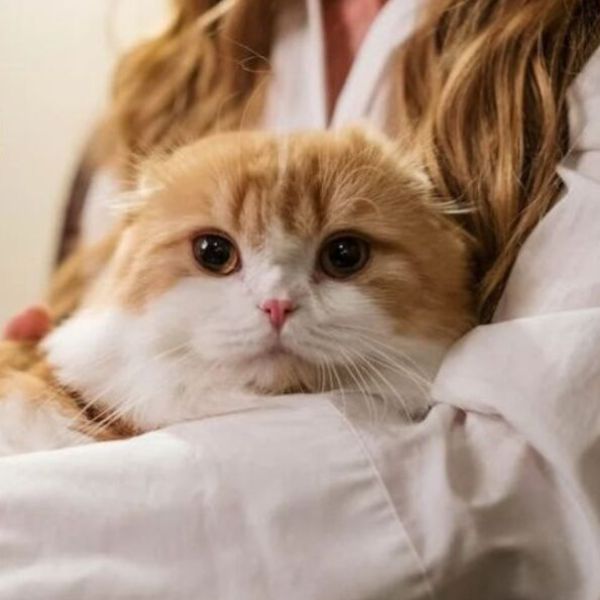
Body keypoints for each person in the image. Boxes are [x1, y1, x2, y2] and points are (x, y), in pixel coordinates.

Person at [1, 0, 600, 598]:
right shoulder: (165, 74)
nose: (277, 304)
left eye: (344, 256)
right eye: (216, 254)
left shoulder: (577, 46)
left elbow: (524, 479)